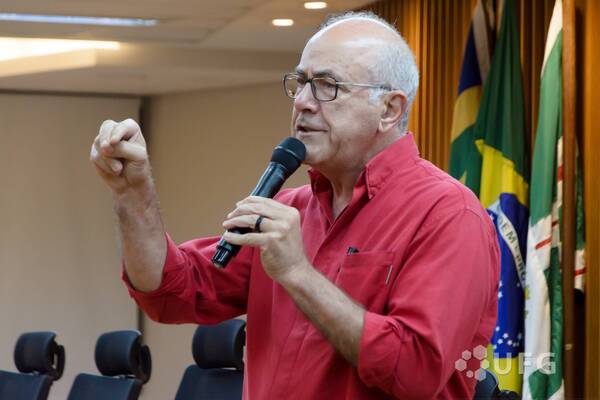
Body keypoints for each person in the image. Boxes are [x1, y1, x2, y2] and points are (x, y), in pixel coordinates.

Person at [90, 11, 500, 400]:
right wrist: (133, 193)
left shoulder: (447, 214)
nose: (303, 101)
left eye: (327, 86)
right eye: (301, 82)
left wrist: (297, 273)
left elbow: (415, 369)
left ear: (389, 110)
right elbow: (170, 292)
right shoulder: (291, 208)